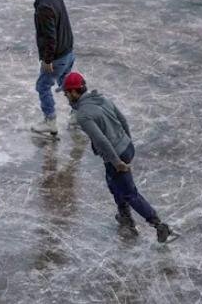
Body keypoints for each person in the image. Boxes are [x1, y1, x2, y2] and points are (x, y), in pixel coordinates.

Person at [61, 72, 175, 243]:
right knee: (112, 183)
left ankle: (159, 225)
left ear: (74, 92)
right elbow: (123, 121)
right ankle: (125, 216)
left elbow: (101, 140)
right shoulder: (102, 99)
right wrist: (126, 142)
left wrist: (117, 162)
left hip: (116, 155)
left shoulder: (83, 115)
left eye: (66, 93)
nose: (66, 97)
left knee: (129, 193)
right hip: (126, 147)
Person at [16, 0, 75, 137]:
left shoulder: (43, 7)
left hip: (57, 57)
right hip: (68, 51)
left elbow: (49, 37)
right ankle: (78, 114)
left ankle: (50, 121)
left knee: (42, 86)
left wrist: (47, 60)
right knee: (66, 83)